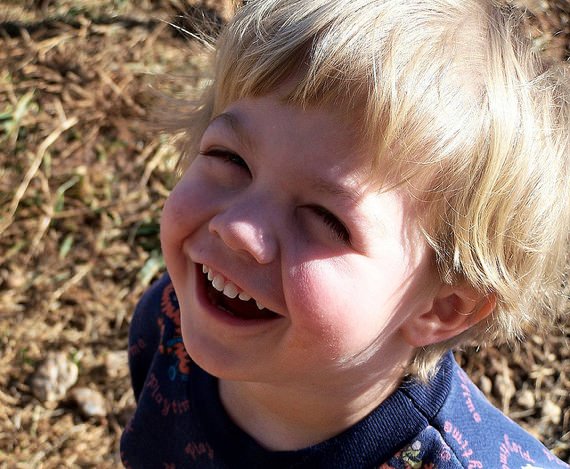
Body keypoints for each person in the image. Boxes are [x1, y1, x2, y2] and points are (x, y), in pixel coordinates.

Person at [120, 0, 570, 467]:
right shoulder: (169, 319)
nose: (237, 229)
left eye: (326, 219)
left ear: (443, 306)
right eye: (231, 159)